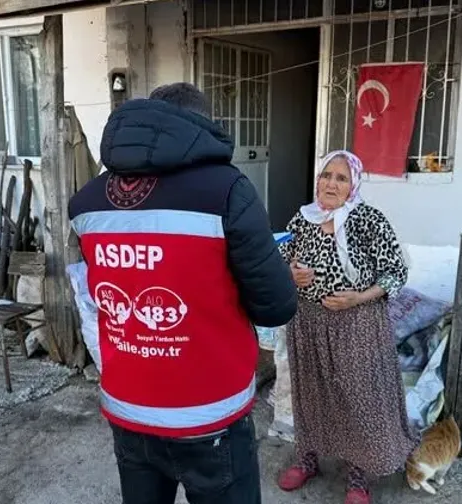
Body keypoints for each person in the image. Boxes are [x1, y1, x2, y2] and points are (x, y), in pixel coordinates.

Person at [69, 82, 297, 504]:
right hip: (208, 412)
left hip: (128, 407)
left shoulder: (87, 202)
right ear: (202, 125)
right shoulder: (227, 190)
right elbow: (276, 306)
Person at [276, 150, 418, 504]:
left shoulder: (368, 219)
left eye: (341, 178)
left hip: (355, 325)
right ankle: (307, 459)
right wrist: (291, 273)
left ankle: (358, 477)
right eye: (326, 176)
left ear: (353, 184)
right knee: (310, 393)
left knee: (356, 397)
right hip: (307, 321)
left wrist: (358, 298)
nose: (331, 184)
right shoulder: (304, 217)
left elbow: (396, 273)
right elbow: (281, 257)